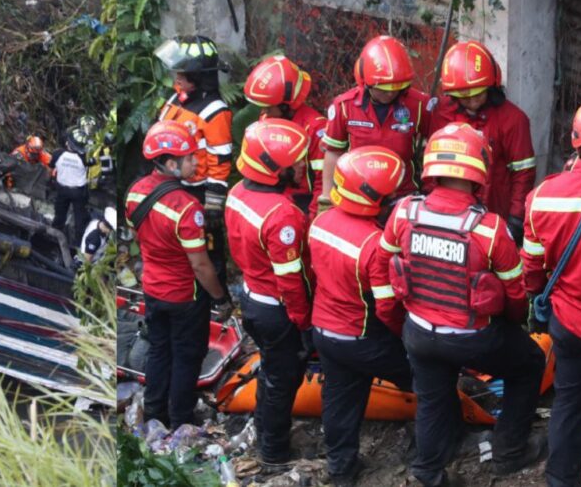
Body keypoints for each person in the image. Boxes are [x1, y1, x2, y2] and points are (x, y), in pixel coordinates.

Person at [377, 123, 545, 487]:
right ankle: (508, 452)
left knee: (432, 399)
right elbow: (515, 295)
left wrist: (396, 323)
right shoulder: (489, 228)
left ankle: (428, 473)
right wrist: (514, 326)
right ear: (480, 170)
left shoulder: (405, 211)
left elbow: (382, 265)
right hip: (472, 336)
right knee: (530, 364)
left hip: (418, 332)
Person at [521, 98, 581, 487]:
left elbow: (532, 269)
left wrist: (536, 298)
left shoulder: (543, 196)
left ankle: (561, 481)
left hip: (572, 326)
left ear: (576, 144)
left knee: (571, 406)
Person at [308, 146, 413, 486]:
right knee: (426, 382)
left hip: (325, 332)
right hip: (363, 336)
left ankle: (341, 470)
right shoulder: (373, 244)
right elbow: (386, 307)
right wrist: (406, 337)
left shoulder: (320, 222)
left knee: (340, 401)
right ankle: (435, 449)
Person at [125, 120, 229, 429]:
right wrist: (220, 298)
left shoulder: (134, 193)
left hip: (153, 290)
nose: (196, 161)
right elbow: (200, 265)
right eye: (189, 158)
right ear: (171, 163)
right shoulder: (187, 208)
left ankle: (156, 412)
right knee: (187, 355)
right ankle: (182, 418)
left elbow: (138, 237)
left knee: (160, 349)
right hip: (184, 296)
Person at [224, 118, 312, 470]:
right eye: (297, 162)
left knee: (273, 371)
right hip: (276, 307)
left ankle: (265, 434)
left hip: (251, 296)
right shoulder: (283, 216)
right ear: (276, 170)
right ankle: (273, 452)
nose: (304, 164)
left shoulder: (237, 193)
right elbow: (291, 280)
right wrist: (304, 321)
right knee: (282, 378)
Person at [153, 35, 233, 312]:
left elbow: (220, 159)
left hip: (198, 192)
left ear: (197, 77)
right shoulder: (179, 97)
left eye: (182, 74)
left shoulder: (214, 111)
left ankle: (216, 303)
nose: (176, 77)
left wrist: (213, 204)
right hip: (173, 184)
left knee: (209, 250)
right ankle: (188, 295)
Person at [429, 41, 535, 244]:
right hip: (450, 215)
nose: (471, 101)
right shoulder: (442, 112)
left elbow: (523, 175)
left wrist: (515, 220)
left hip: (494, 215)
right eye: (463, 97)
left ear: (492, 86)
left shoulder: (513, 120)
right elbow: (432, 165)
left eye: (477, 94)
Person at [320, 35, 431, 215]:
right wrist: (326, 199)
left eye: (396, 88)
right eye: (383, 90)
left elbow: (435, 145)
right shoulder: (345, 107)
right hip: (356, 198)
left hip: (402, 200)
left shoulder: (418, 105)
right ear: (366, 83)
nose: (390, 94)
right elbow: (333, 152)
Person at [242, 54, 327, 215]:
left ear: (286, 104)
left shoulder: (315, 127)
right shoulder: (268, 117)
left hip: (304, 201)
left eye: (268, 107)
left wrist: (313, 217)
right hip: (274, 195)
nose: (263, 112)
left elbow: (321, 182)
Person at [50, 128, 90, 233]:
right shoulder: (85, 158)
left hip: (61, 189)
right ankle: (78, 242)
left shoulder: (57, 154)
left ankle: (54, 234)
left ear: (68, 143)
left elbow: (50, 166)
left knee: (59, 215)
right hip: (78, 192)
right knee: (80, 218)